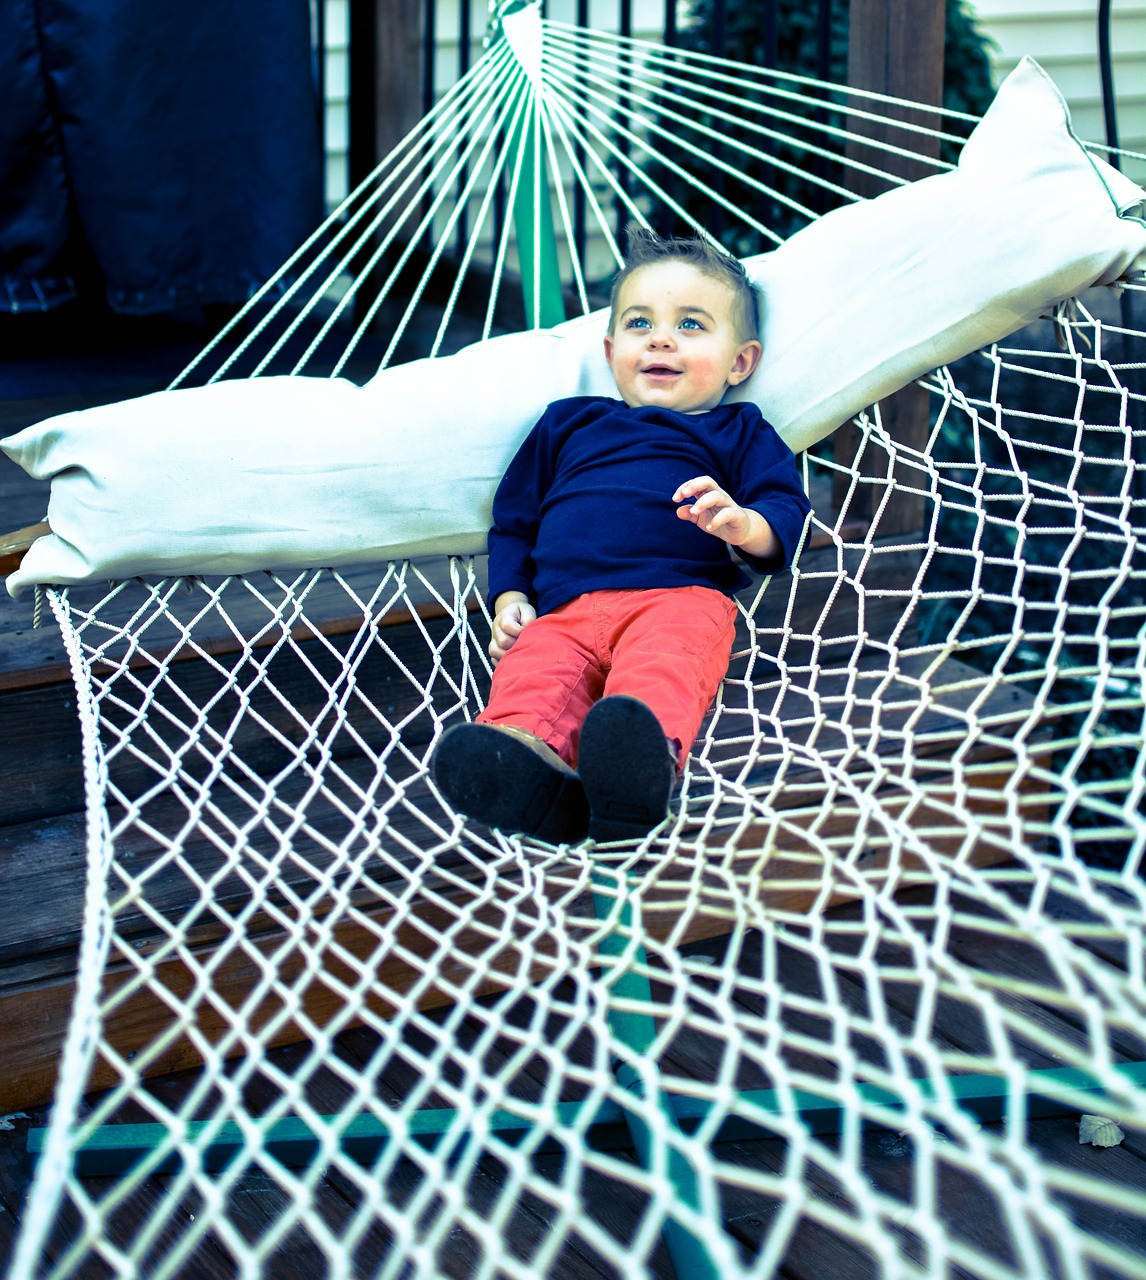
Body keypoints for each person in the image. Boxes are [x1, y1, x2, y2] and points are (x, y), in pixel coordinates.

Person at [431, 225, 811, 843]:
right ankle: (529, 767)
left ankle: (636, 770)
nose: (660, 336)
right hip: (563, 612)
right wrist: (508, 600)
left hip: (679, 597)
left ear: (741, 362)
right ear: (610, 352)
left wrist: (743, 524)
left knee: (663, 670)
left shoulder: (739, 431)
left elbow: (785, 514)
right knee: (534, 678)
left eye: (691, 324)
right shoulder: (568, 424)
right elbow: (515, 522)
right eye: (640, 324)